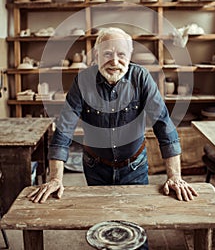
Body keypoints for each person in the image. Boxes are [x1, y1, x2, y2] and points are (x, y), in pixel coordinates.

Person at [28, 27, 198, 204]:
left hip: (135, 167)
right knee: (100, 218)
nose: (114, 61)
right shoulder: (83, 81)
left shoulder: (141, 78)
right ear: (96, 55)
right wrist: (56, 178)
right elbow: (64, 129)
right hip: (96, 168)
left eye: (121, 54)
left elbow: (163, 125)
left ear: (130, 55)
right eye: (107, 54)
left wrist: (175, 176)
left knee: (137, 217)